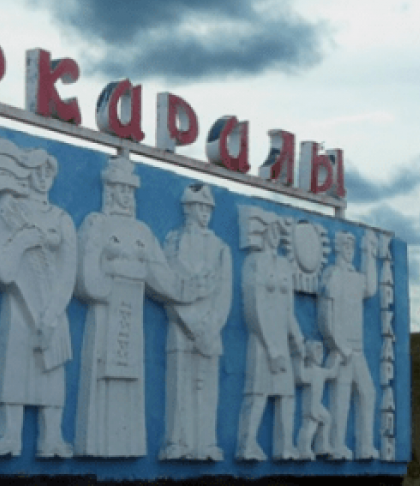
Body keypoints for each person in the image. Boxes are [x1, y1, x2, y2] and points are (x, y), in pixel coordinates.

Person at [75, 156, 204, 458]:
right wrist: (113, 276)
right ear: (109, 190)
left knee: (131, 380)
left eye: (129, 190)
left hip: (131, 318)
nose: (125, 196)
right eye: (119, 189)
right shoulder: (97, 224)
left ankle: (127, 444)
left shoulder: (143, 231)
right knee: (102, 376)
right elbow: (87, 275)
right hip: (107, 314)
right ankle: (97, 445)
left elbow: (163, 277)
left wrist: (194, 288)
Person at [0, 136, 76, 459]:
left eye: (48, 172)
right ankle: (8, 434)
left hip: (53, 308)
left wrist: (52, 314)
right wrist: (21, 242)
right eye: (36, 170)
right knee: (13, 371)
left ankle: (52, 437)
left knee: (52, 375)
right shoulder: (8, 211)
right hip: (20, 307)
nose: (42, 178)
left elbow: (69, 272)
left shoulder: (62, 218)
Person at [159, 183, 232, 462]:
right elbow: (167, 284)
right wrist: (190, 324)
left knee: (207, 390)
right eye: (199, 206)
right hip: (181, 327)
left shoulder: (220, 247)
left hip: (210, 331)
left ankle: (206, 443)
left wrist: (210, 328)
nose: (205, 212)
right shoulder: (173, 241)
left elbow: (224, 294)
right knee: (180, 389)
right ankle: (178, 442)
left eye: (208, 208)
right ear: (188, 208)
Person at [237, 207, 304, 462]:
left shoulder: (284, 265)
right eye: (271, 231)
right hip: (262, 341)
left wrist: (297, 338)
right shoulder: (254, 262)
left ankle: (285, 446)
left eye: (278, 232)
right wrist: (271, 348)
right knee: (258, 393)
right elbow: (254, 308)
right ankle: (247, 445)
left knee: (286, 395)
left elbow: (288, 309)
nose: (275, 236)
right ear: (263, 233)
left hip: (282, 342)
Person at [319, 231, 379, 460]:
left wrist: (369, 253)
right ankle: (336, 446)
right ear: (337, 248)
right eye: (345, 246)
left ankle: (365, 446)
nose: (349, 250)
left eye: (352, 247)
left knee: (368, 393)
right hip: (342, 351)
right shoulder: (333, 274)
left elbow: (371, 288)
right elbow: (326, 316)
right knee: (340, 400)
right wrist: (339, 346)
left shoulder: (356, 277)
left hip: (358, 350)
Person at [295, 340, 339, 460]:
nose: (320, 355)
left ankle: (322, 446)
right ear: (310, 355)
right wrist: (299, 358)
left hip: (317, 405)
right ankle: (303, 449)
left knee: (327, 419)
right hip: (310, 406)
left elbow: (332, 373)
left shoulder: (321, 372)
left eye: (321, 352)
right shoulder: (309, 372)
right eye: (317, 352)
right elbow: (300, 376)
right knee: (310, 426)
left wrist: (337, 359)